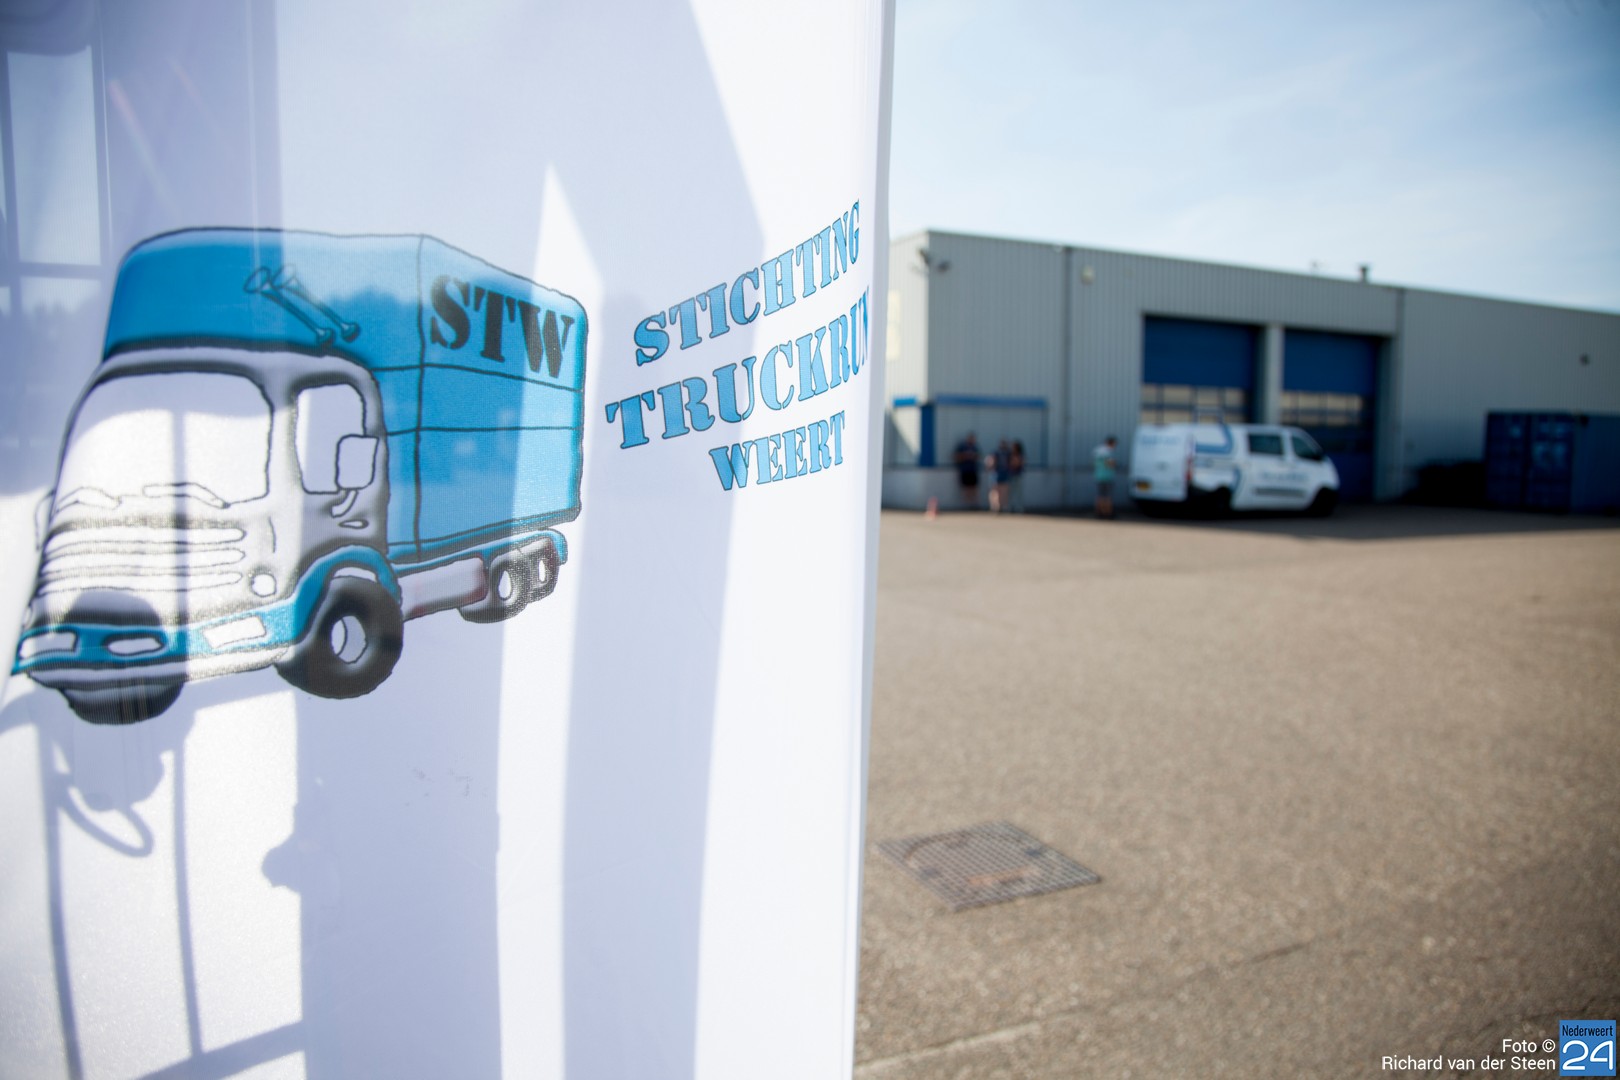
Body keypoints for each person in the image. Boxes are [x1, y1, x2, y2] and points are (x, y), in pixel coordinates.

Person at [1092, 435, 1118, 519]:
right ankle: (1107, 512)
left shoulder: (1097, 450)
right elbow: (1110, 463)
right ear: (1111, 443)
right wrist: (1114, 464)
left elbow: (1095, 463)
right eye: (1114, 444)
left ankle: (1098, 512)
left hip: (1098, 475)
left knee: (1100, 495)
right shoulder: (1108, 451)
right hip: (1107, 476)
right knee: (1107, 496)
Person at [954, 432, 981, 508]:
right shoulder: (962, 447)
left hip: (973, 470)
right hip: (965, 470)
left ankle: (974, 504)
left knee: (974, 488)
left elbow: (978, 456)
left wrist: (973, 456)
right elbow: (956, 456)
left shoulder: (975, 447)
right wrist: (965, 456)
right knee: (966, 488)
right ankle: (967, 505)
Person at [988, 439, 1013, 513]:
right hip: (996, 475)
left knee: (1004, 491)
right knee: (995, 491)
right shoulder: (995, 452)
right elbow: (991, 463)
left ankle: (1003, 506)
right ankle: (995, 506)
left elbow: (1011, 463)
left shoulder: (1008, 453)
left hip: (1004, 475)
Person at [1008, 440, 1026, 513]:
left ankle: (1019, 507)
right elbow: (1010, 464)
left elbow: (1019, 463)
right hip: (1011, 475)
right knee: (1011, 492)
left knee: (1019, 492)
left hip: (1018, 475)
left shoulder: (1021, 455)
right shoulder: (1010, 455)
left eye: (1014, 447)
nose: (1012, 448)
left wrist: (1016, 462)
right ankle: (1010, 507)